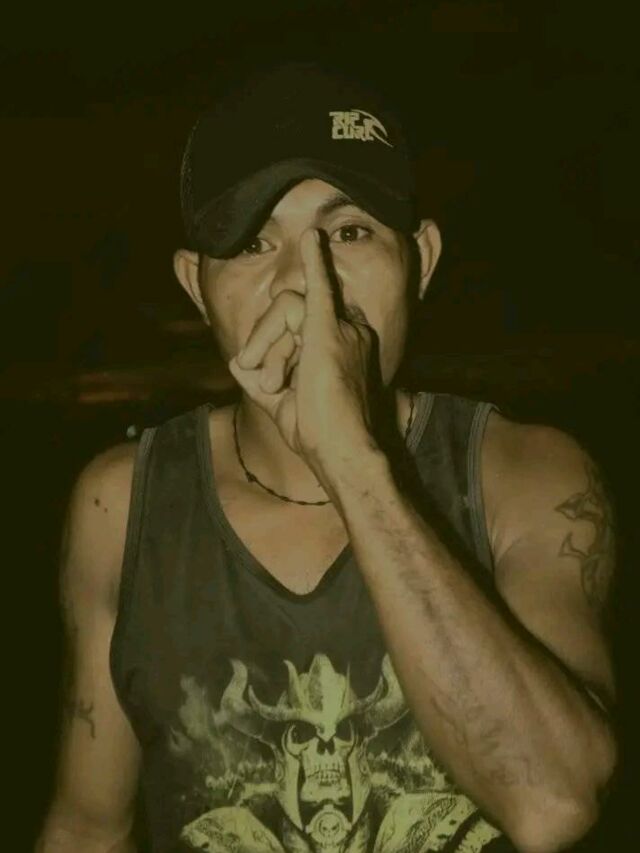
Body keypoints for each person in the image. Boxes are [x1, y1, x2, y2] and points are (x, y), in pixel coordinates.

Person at [36, 63, 617, 853]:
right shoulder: (123, 504)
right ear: (196, 287)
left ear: (422, 260)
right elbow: (87, 827)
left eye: (348, 234)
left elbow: (553, 802)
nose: (307, 284)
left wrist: (347, 456)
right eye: (253, 242)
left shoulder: (527, 477)